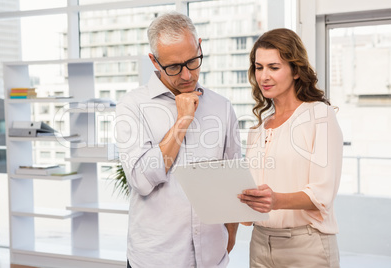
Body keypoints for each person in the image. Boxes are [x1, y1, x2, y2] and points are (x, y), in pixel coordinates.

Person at [115, 11, 241, 268]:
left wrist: (231, 233)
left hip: (211, 259)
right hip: (157, 259)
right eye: (173, 67)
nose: (186, 75)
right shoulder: (132, 106)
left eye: (193, 61)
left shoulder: (222, 107)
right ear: (154, 61)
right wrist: (182, 120)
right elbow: (140, 180)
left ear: (200, 46)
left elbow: (232, 179)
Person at [237, 28, 343, 268]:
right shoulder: (259, 129)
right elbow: (254, 193)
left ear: (296, 70)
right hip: (259, 244)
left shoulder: (319, 115)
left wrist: (276, 200)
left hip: (306, 247)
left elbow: (322, 194)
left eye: (274, 67)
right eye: (259, 67)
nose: (264, 76)